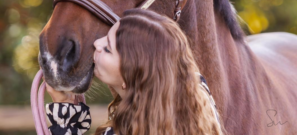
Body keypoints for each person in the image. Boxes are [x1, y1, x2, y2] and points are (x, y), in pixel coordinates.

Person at [46, 9, 223, 135]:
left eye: (108, 49)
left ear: (131, 78)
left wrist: (65, 120)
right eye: (106, 36)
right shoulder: (198, 98)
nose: (97, 44)